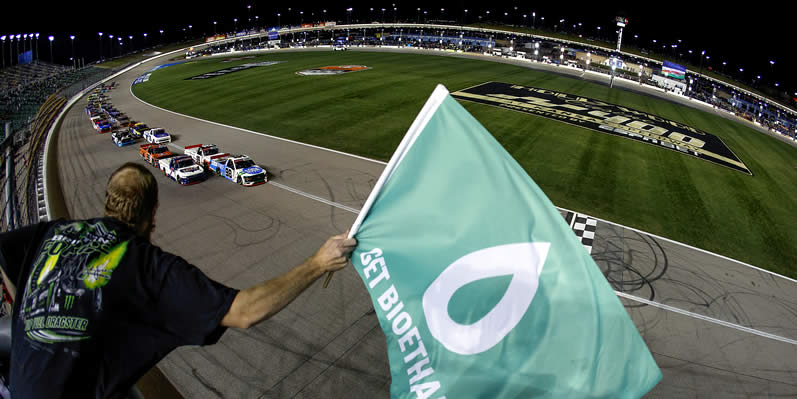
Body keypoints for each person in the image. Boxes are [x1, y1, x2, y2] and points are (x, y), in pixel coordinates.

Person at [0, 162, 356, 398]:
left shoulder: (54, 232)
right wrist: (318, 262)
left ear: (107, 201)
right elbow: (246, 311)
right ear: (153, 212)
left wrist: (23, 312)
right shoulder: (148, 266)